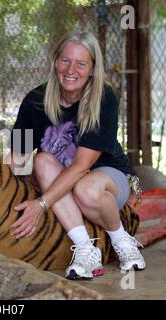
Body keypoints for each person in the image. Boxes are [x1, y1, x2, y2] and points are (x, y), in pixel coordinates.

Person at [8, 31, 146, 280]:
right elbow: (18, 158)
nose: (71, 69)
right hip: (62, 180)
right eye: (65, 61)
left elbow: (83, 166)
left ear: (92, 68)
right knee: (41, 160)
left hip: (106, 175)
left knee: (86, 188)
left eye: (81, 64)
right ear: (55, 61)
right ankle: (85, 249)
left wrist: (41, 204)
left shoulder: (104, 99)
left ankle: (121, 239)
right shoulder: (34, 101)